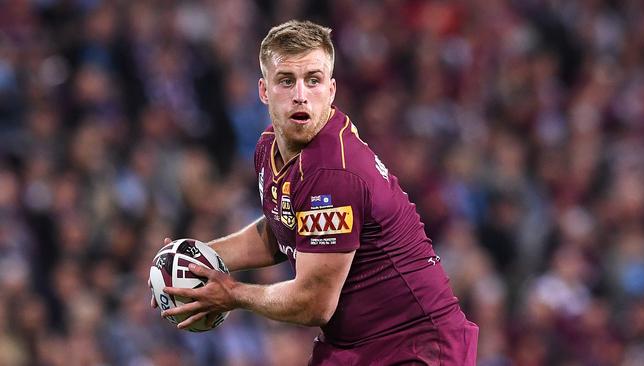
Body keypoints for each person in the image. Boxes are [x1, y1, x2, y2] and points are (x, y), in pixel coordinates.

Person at [156, 20, 478, 365]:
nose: (300, 94)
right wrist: (199, 258)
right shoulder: (268, 148)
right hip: (354, 346)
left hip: (415, 346)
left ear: (331, 90)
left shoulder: (332, 172)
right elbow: (280, 228)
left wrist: (232, 293)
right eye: (286, 81)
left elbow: (314, 302)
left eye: (313, 80)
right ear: (264, 91)